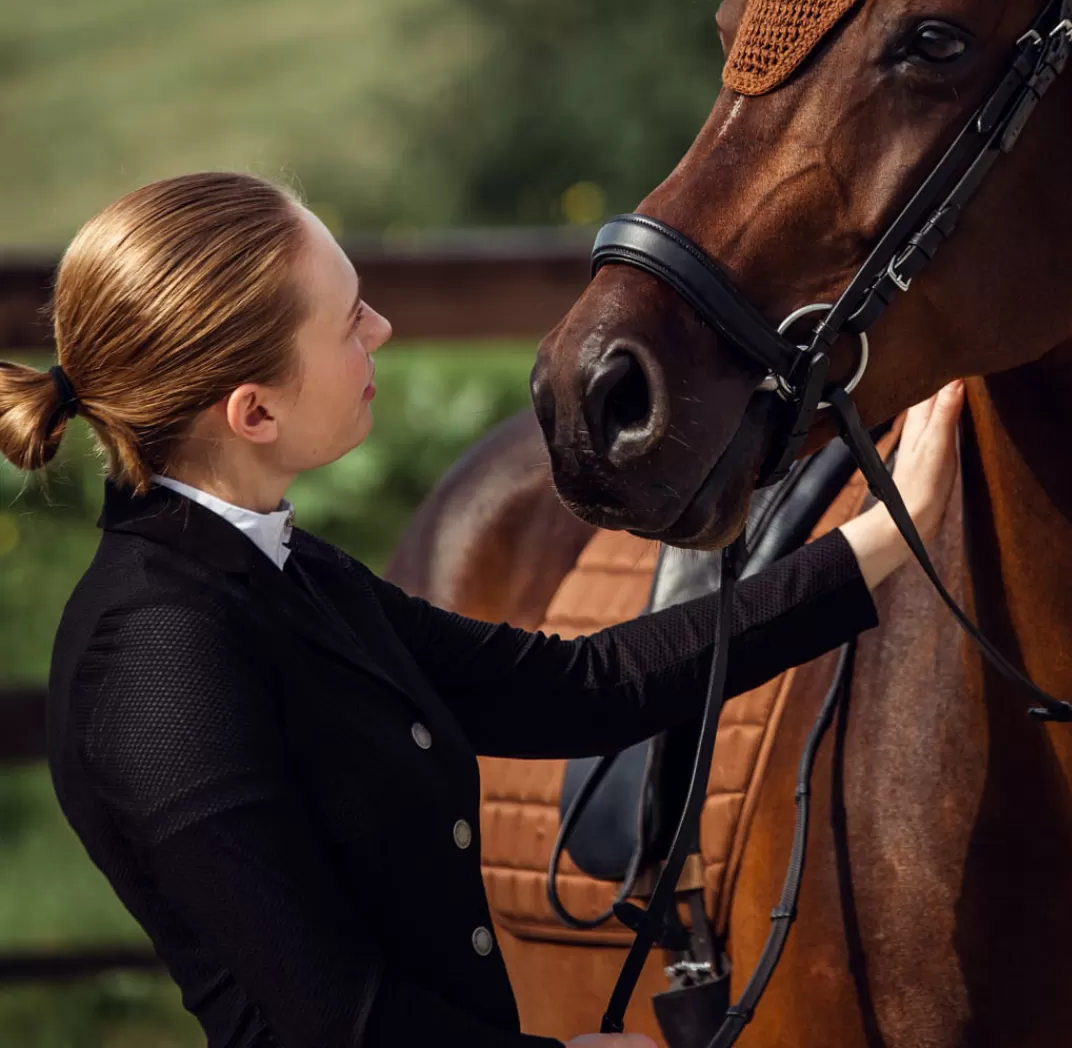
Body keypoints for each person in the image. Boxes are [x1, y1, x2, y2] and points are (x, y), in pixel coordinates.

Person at [0, 172, 964, 1048]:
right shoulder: (158, 661)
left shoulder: (284, 574)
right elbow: (333, 1019)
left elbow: (580, 688)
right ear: (253, 413)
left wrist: (879, 541)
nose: (379, 329)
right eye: (346, 321)